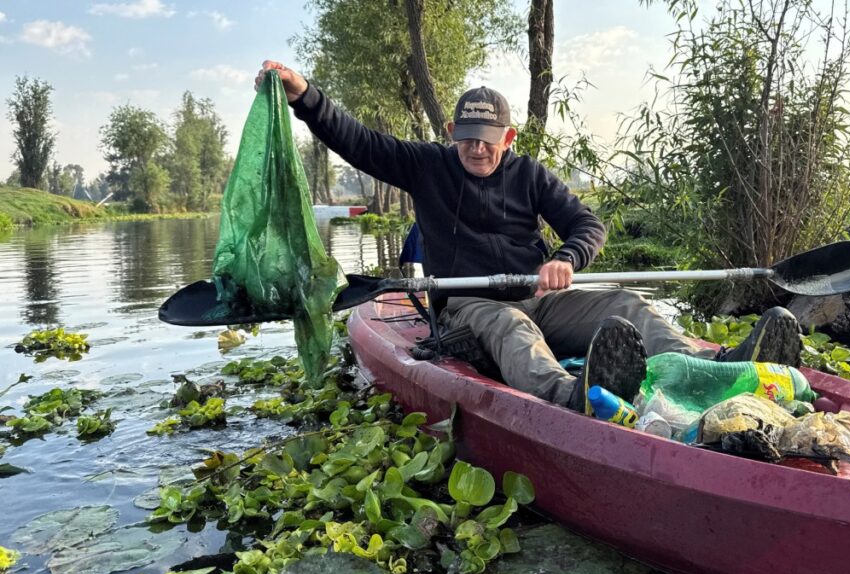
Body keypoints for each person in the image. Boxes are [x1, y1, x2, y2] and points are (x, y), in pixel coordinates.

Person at [254, 60, 802, 413]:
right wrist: (304, 95)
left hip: (539, 297)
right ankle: (570, 398)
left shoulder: (531, 175)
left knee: (626, 303)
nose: (477, 149)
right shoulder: (425, 166)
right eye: (467, 138)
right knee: (509, 325)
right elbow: (356, 140)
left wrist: (566, 258)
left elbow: (588, 226)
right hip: (468, 305)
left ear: (509, 136)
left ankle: (707, 367)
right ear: (452, 132)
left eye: (488, 140)